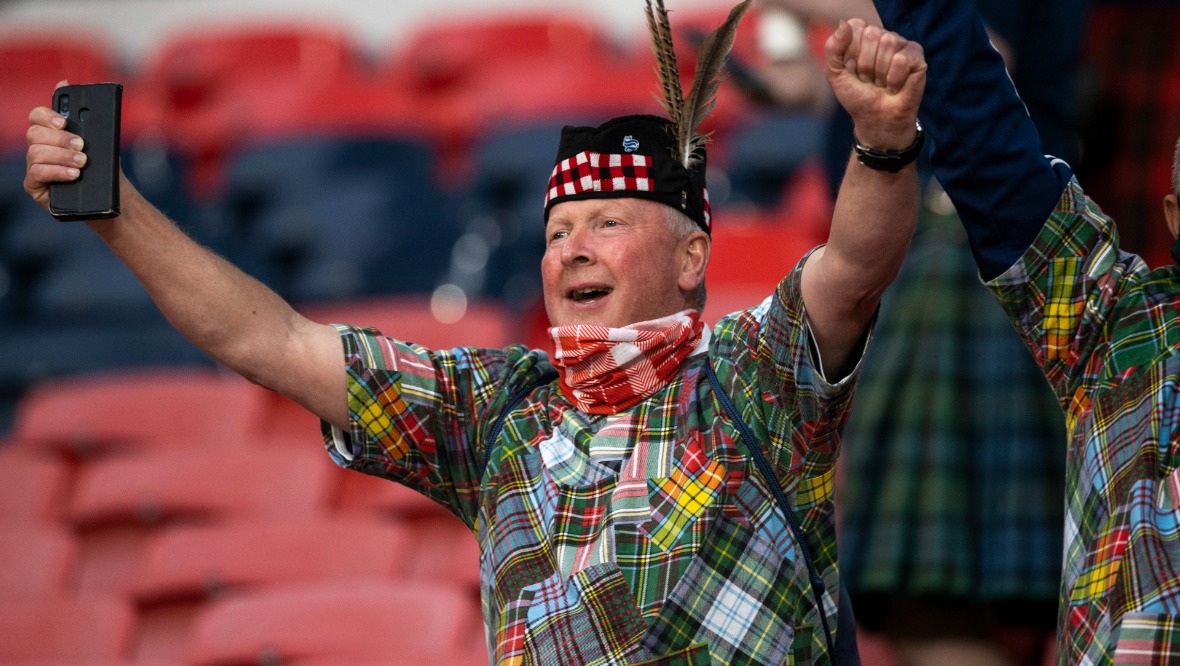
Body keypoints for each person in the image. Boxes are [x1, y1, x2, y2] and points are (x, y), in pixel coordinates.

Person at [23, 6, 926, 664]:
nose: (572, 248)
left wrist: (883, 143)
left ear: (693, 256)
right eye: (556, 234)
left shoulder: (753, 376)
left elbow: (853, 268)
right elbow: (273, 341)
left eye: (607, 222)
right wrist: (115, 213)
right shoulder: (495, 409)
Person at [873, 0, 1180, 662]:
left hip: (953, 261)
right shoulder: (1118, 324)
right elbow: (983, 129)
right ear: (1175, 215)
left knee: (943, 605)